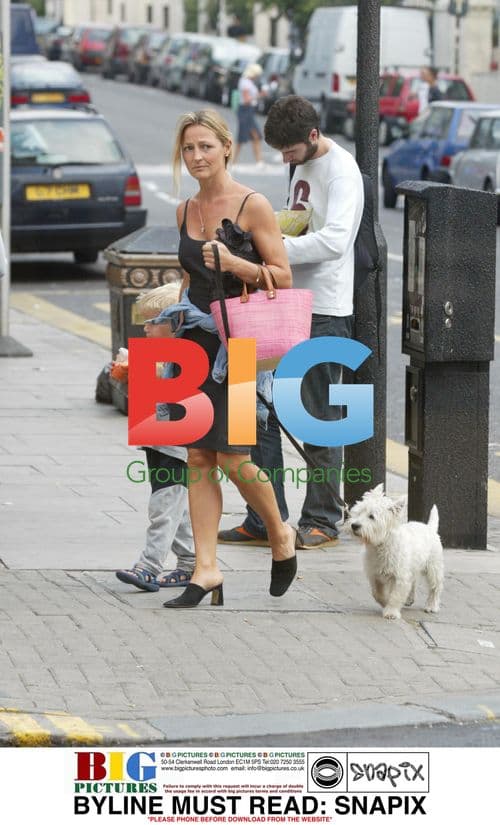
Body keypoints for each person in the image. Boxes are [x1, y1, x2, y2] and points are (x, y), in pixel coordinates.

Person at [161, 109, 297, 609]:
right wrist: (166, 328)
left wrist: (238, 263)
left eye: (204, 147)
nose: (196, 157)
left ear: (226, 148)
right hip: (193, 343)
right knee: (197, 456)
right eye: (188, 149)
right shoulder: (184, 211)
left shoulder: (251, 205)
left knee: (236, 458)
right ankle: (207, 569)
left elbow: (282, 276)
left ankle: (280, 534)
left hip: (236, 344)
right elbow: (189, 279)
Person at [219, 95, 364, 549]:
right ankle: (266, 516)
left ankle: (321, 519)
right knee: (258, 411)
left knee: (320, 418)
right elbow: (299, 221)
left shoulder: (342, 172)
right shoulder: (302, 165)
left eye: (290, 152)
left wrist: (274, 246)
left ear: (314, 136)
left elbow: (337, 241)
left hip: (323, 307)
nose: (284, 159)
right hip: (283, 300)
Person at [114, 283, 195, 592]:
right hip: (157, 441)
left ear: (175, 325)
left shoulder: (181, 361)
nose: (145, 327)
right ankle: (190, 562)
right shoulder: (158, 357)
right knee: (177, 506)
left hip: (176, 446)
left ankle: (149, 565)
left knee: (164, 503)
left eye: (152, 321)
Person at [233, 63, 264, 166]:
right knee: (241, 138)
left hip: (248, 110)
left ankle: (259, 160)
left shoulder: (247, 82)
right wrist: (259, 95)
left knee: (256, 136)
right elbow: (246, 100)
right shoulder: (245, 83)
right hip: (245, 110)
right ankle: (232, 161)